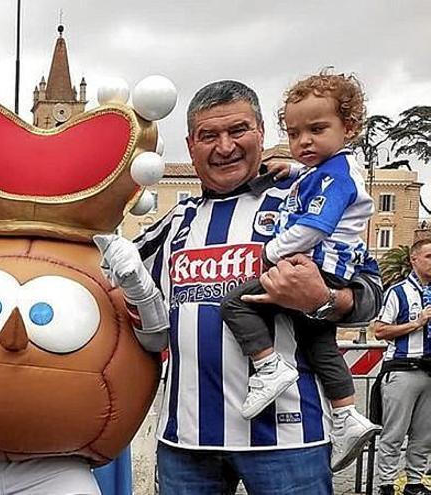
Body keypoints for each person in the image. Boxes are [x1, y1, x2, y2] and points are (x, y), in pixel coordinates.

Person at [98, 80, 382, 494]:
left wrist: (324, 299)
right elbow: (118, 292)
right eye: (208, 135)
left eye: (238, 130)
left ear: (261, 133)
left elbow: (370, 292)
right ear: (191, 145)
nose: (225, 146)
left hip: (289, 439)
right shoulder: (175, 222)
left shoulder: (302, 202)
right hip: (186, 439)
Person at [220, 72, 379, 470]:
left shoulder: (336, 176)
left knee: (237, 303)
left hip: (316, 266)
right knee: (318, 342)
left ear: (349, 127)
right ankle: (347, 415)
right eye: (294, 134)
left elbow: (316, 226)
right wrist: (292, 170)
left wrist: (271, 253)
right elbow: (316, 180)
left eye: (316, 130)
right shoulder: (325, 170)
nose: (304, 141)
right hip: (328, 266)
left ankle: (269, 367)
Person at [370, 239, 431, 495]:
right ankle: (386, 484)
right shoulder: (398, 292)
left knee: (425, 435)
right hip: (402, 369)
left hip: (429, 372)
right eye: (429, 256)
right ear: (413, 260)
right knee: (394, 433)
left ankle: (414, 483)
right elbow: (380, 330)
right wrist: (416, 323)